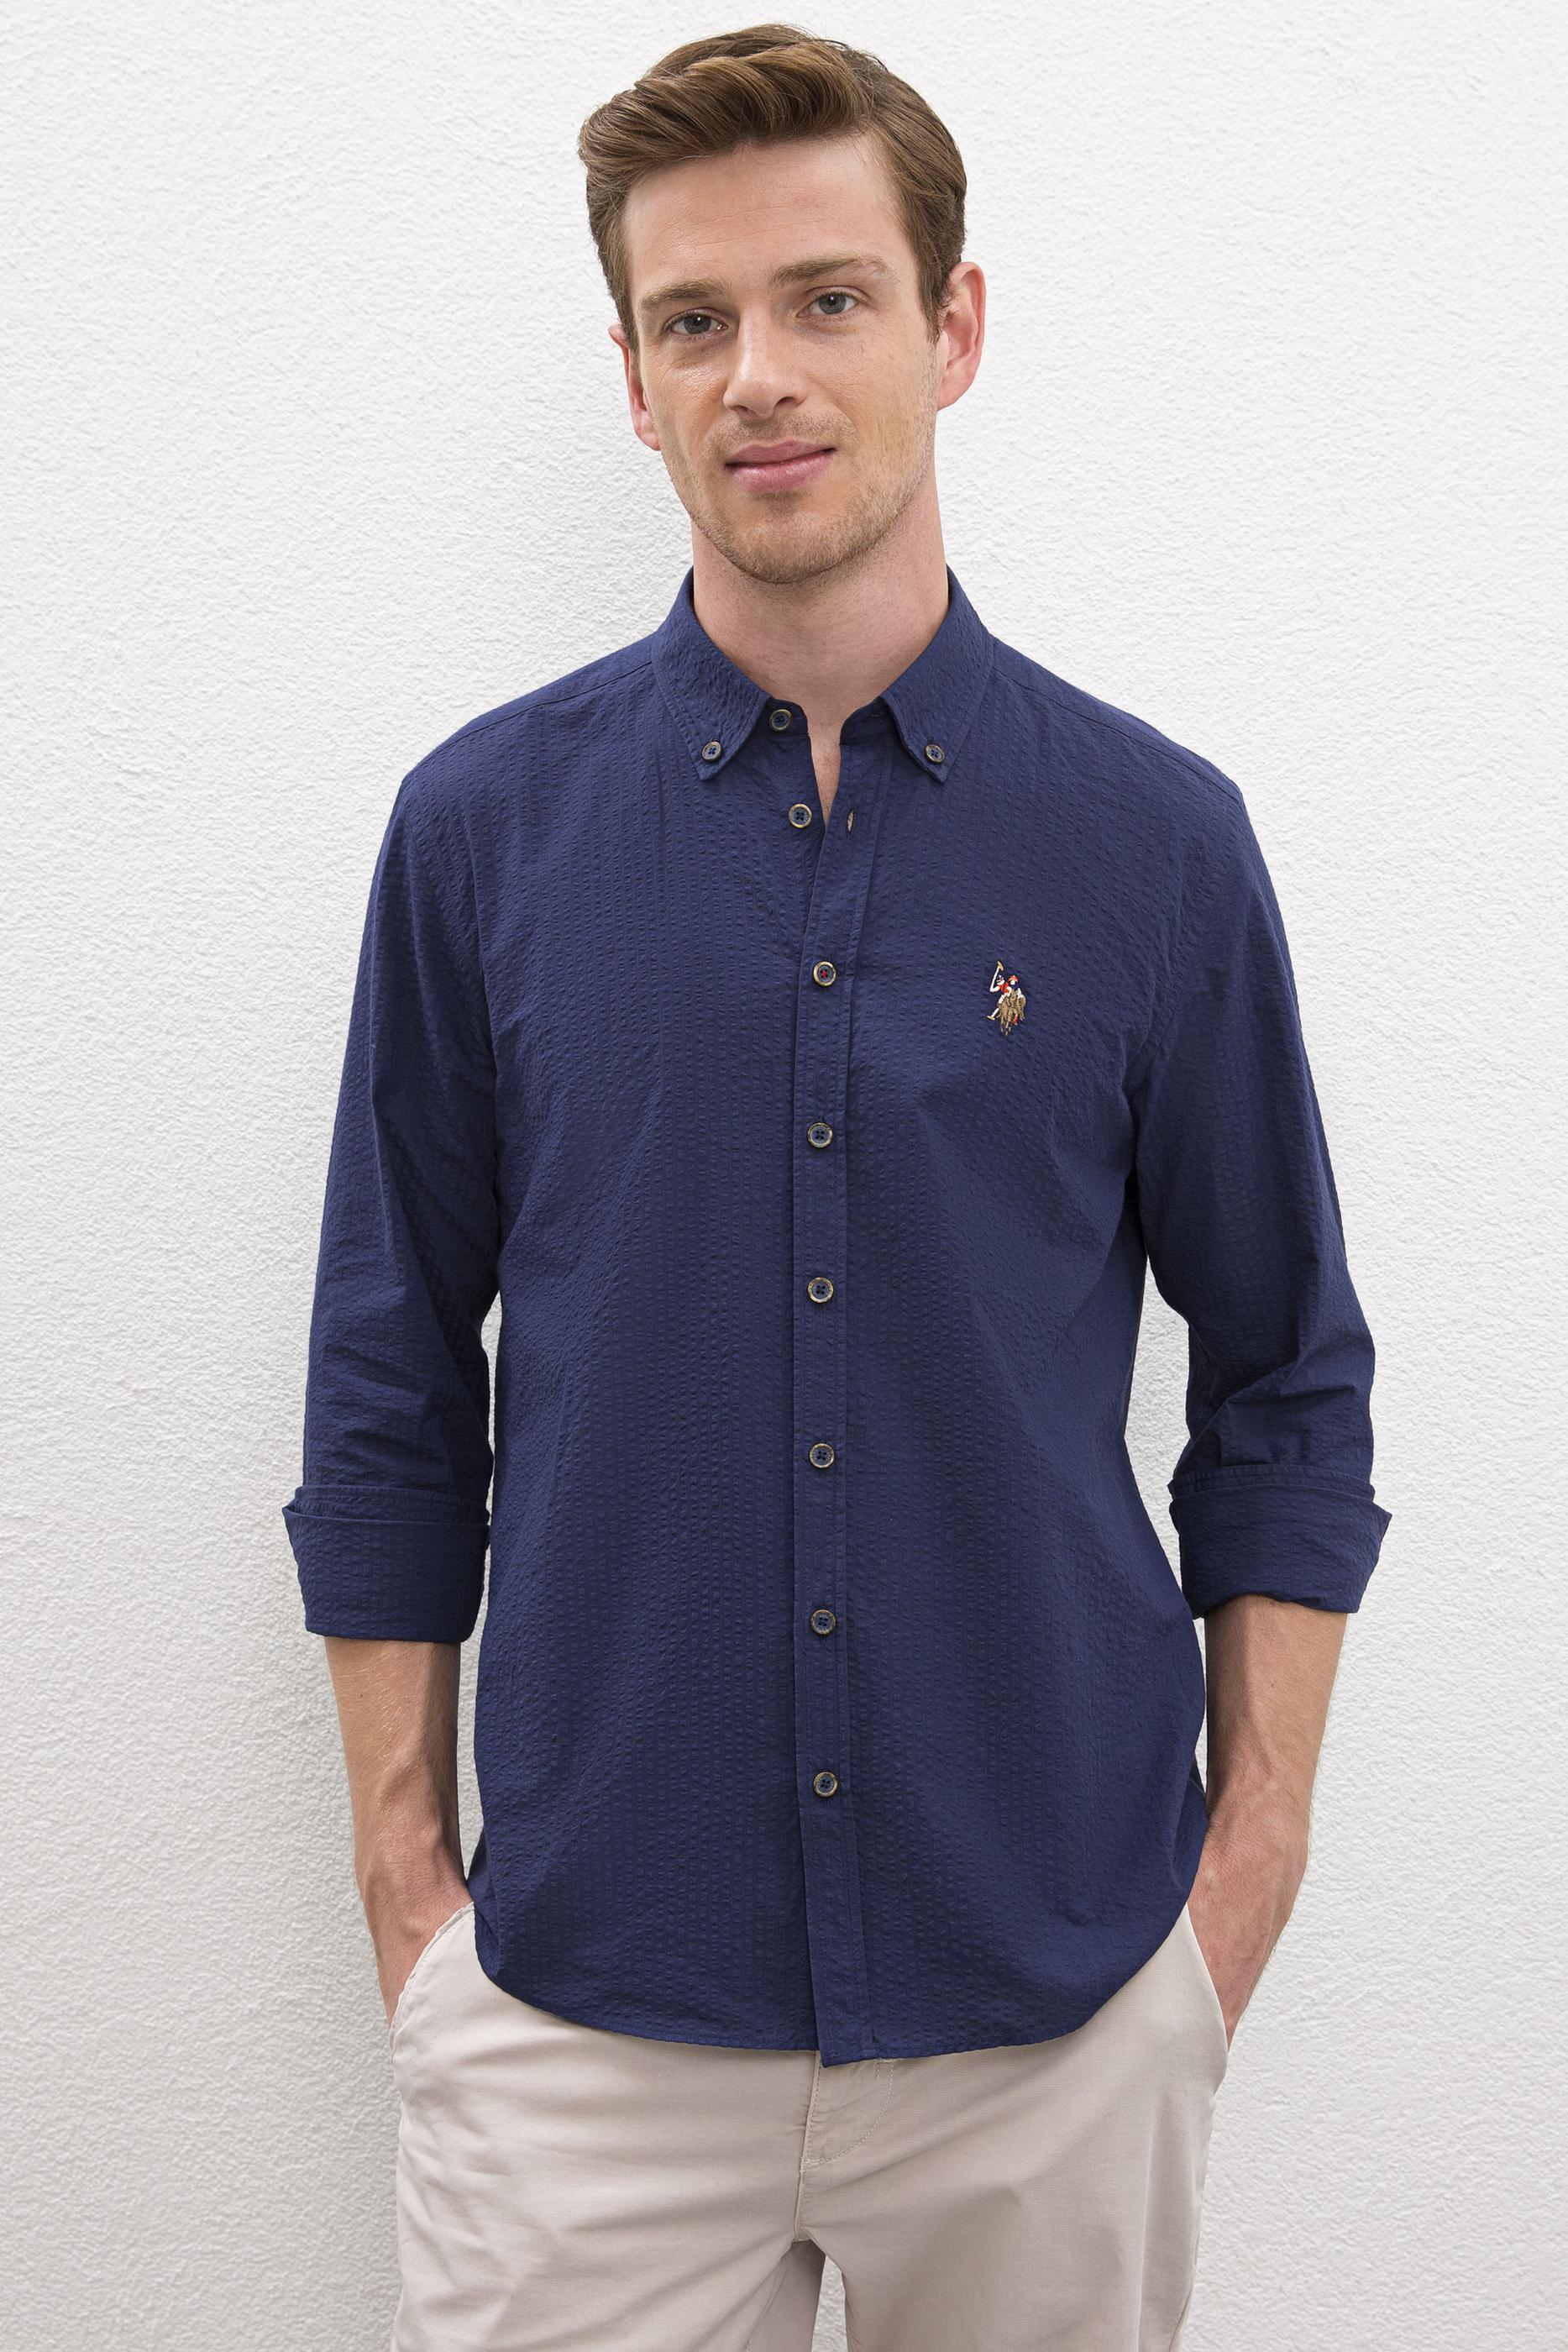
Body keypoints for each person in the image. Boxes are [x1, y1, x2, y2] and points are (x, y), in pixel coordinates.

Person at [281, 24, 1392, 2349]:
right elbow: (388, 1384)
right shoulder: (480, 839)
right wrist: (406, 1891)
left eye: (826, 298)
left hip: (1053, 2008)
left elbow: (1287, 1374)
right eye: (692, 320)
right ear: (633, 379)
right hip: (580, 2015)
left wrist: (1244, 1878)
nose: (759, 375)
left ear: (950, 326)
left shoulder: (1154, 847)